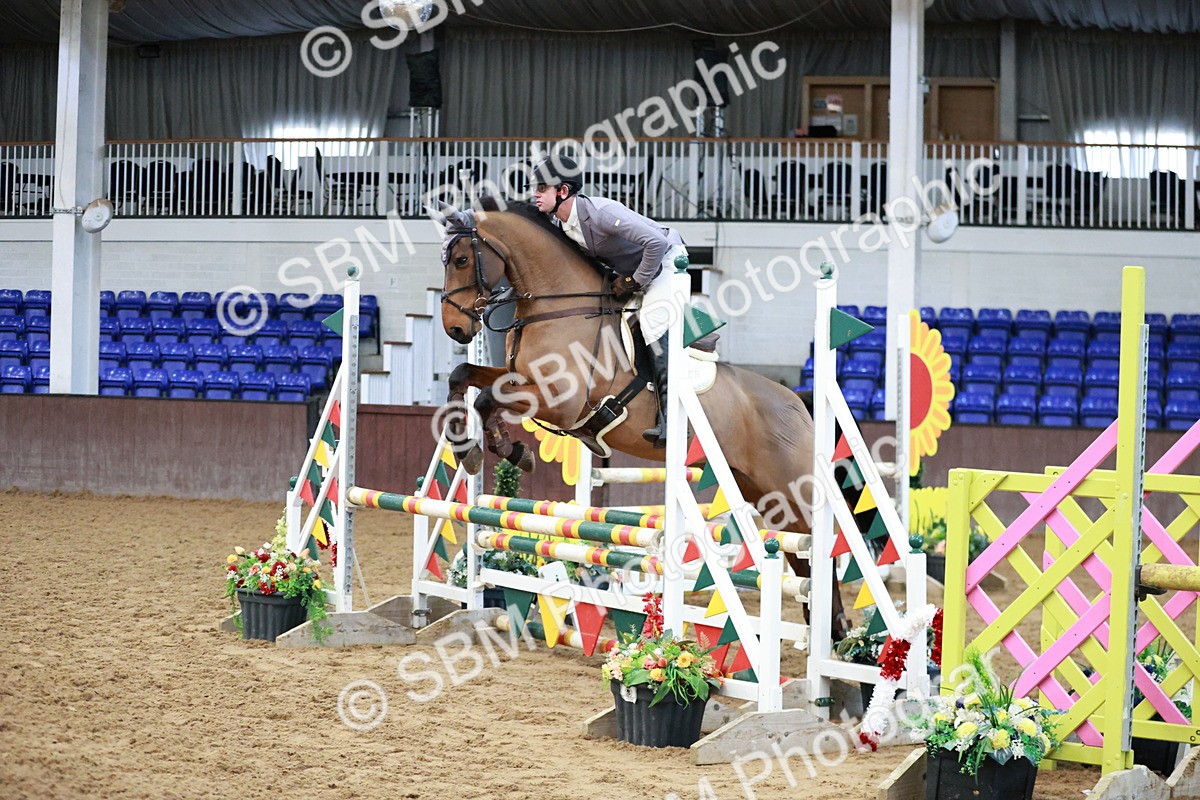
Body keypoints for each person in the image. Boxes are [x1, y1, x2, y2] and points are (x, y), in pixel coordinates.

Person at [528, 154, 687, 449]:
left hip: (667, 264)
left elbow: (657, 244)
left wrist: (634, 281)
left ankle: (672, 419)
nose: (535, 194)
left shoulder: (601, 212)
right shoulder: (562, 224)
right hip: (633, 272)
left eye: (541, 188)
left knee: (651, 327)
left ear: (562, 191)